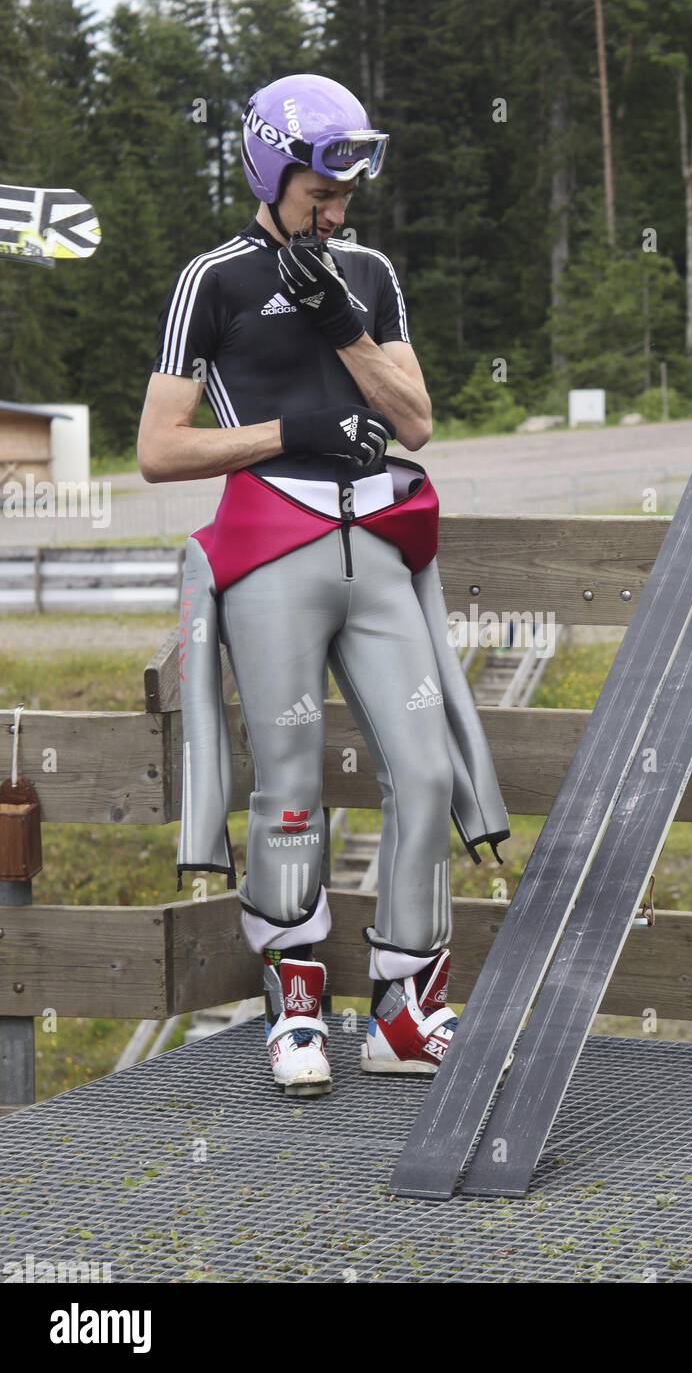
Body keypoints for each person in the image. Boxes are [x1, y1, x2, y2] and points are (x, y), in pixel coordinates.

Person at [137, 73, 509, 1097]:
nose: (336, 212)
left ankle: (403, 1007)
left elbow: (418, 421)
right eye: (319, 196)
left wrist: (341, 319)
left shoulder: (371, 273)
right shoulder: (209, 281)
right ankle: (294, 1006)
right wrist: (290, 431)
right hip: (272, 550)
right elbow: (158, 451)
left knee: (425, 774)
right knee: (291, 787)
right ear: (272, 170)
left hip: (377, 545)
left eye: (345, 199)